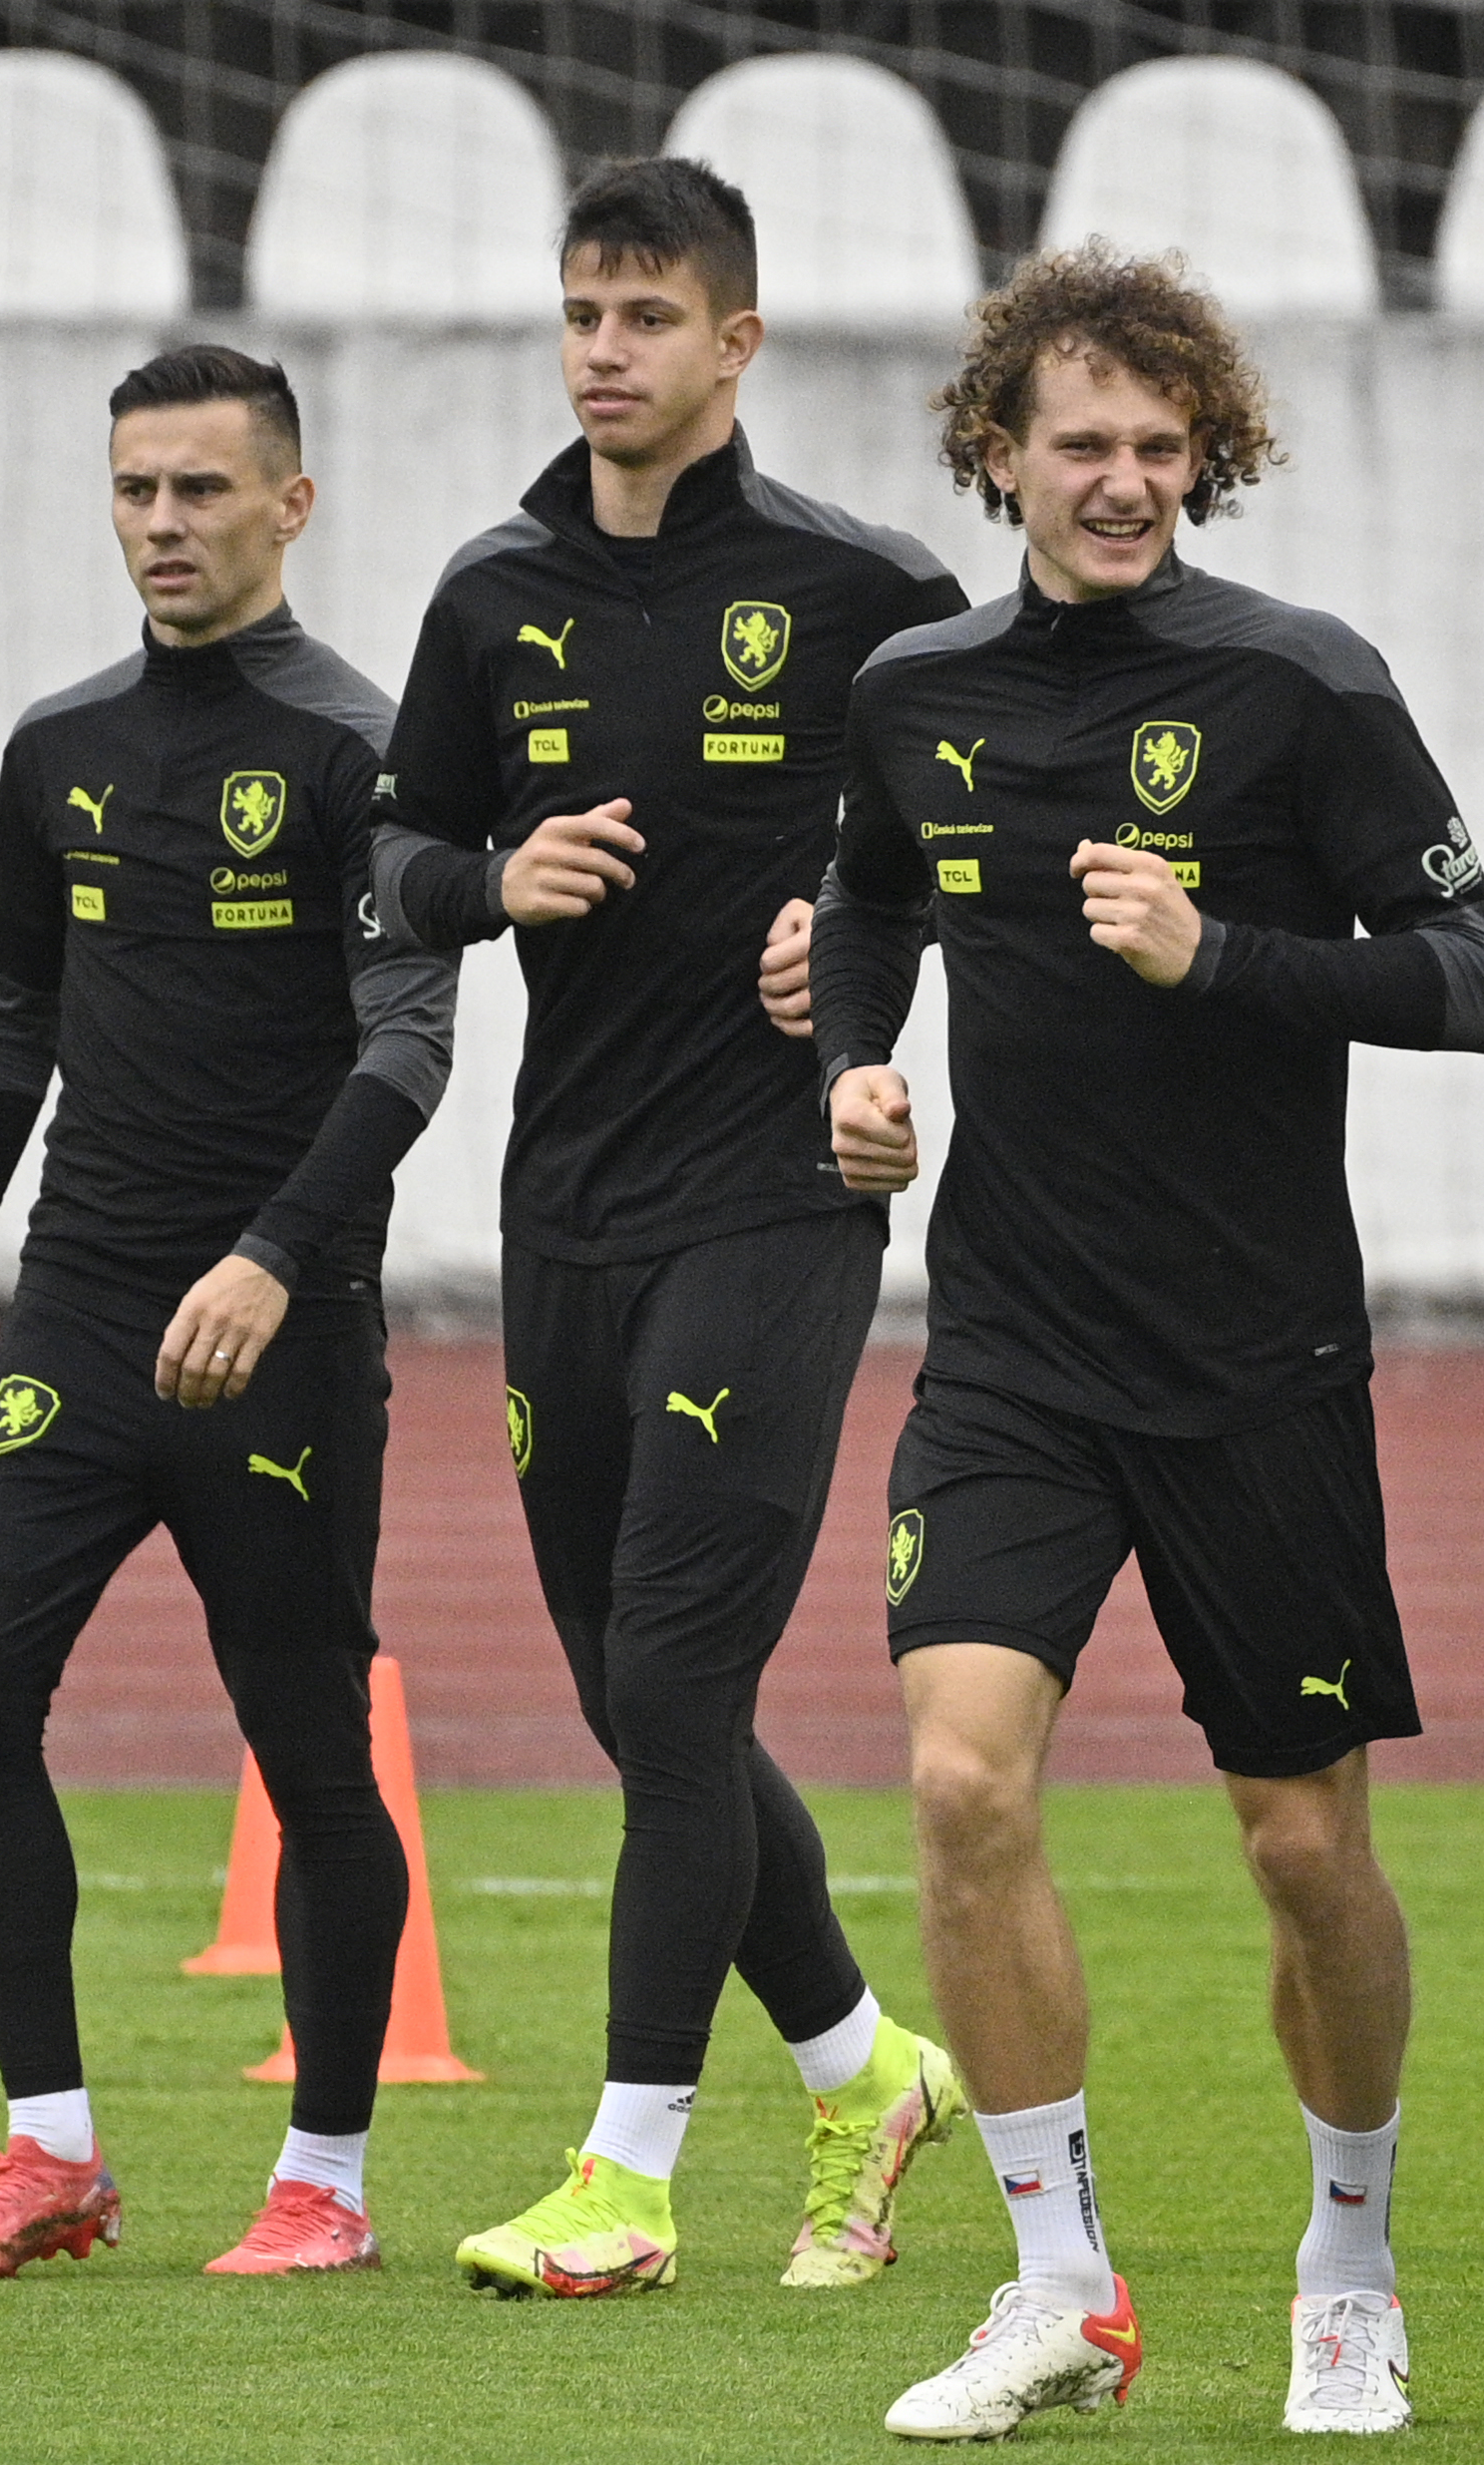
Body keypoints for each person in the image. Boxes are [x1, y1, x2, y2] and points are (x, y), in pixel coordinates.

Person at [803, 242, 1484, 2440]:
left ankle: (1353, 2251)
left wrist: (1219, 957)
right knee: (952, 1778)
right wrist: (849, 1067)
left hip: (1257, 1357)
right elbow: (863, 901)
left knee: (1304, 1847)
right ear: (998, 450)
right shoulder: (915, 686)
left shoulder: (1303, 681)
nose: (1119, 480)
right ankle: (1057, 2287)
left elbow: (1473, 975)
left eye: (1156, 443)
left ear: (1207, 453)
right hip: (1012, 1345)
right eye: (1078, 441)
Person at [374, 157, 973, 2298]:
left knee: (682, 1661)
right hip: (569, 1207)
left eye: (648, 318)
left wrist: (866, 958)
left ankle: (626, 2175)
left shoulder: (865, 595)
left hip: (778, 1194)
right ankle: (864, 2064)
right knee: (649, 1702)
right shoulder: (492, 593)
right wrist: (488, 885)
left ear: (737, 344)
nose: (606, 351)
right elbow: (395, 863)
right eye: (582, 313)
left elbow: (978, 854)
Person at [0, 345, 454, 2279]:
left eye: (201, 491)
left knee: (309, 1752)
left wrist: (275, 1253)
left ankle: (330, 2179)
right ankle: (49, 2148)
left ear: (289, 506)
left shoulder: (361, 752)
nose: (161, 525)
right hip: (74, 1314)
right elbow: (10, 1016)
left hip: (276, 1331)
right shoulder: (58, 748)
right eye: (136, 489)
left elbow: (409, 1044)